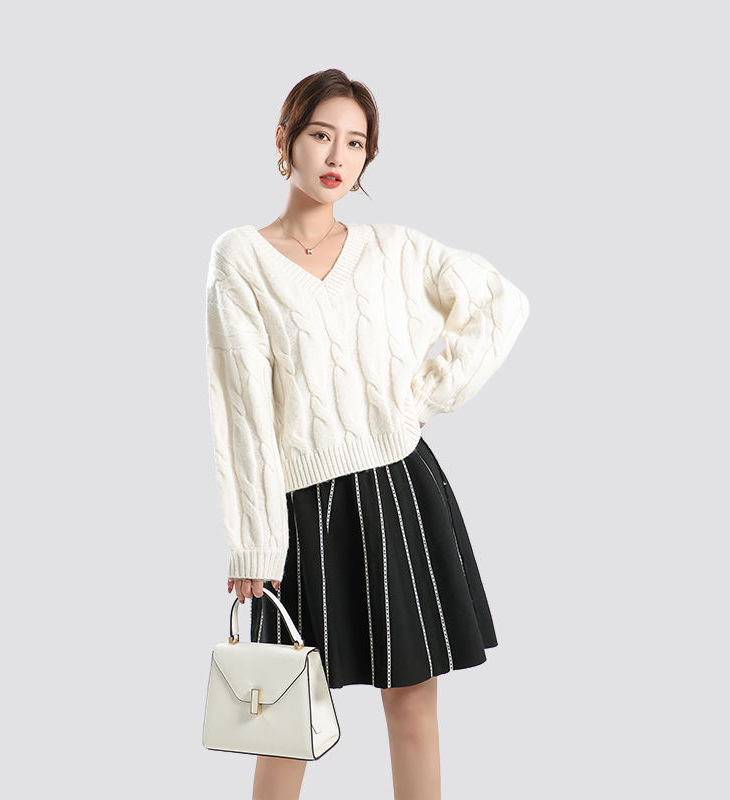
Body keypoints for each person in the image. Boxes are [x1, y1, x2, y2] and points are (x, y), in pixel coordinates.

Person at [204, 68, 530, 799]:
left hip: (399, 488)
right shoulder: (241, 256)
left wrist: (427, 394)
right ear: (285, 138)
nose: (337, 156)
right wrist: (254, 541)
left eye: (356, 143)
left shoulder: (396, 249)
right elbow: (242, 410)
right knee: (283, 716)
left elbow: (501, 303)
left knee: (411, 704)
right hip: (303, 506)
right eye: (322, 134)